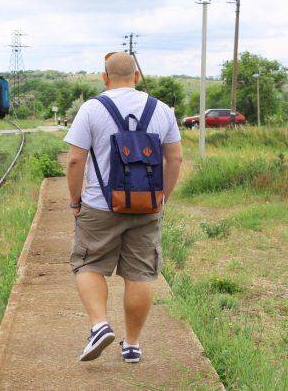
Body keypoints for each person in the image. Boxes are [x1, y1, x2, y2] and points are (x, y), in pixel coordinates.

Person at [63, 52, 183, 363]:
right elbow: (175, 159)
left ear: (104, 77)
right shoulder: (162, 110)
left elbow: (76, 160)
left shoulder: (91, 109)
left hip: (98, 206)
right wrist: (161, 199)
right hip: (146, 208)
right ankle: (131, 344)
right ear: (137, 77)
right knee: (140, 274)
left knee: (88, 264)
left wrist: (75, 201)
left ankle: (100, 325)